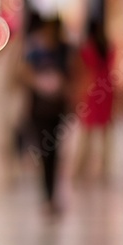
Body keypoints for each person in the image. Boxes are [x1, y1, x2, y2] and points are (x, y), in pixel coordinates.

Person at [20, 15, 71, 216]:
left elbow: (73, 74)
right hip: (39, 110)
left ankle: (52, 195)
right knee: (44, 151)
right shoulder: (35, 51)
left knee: (55, 152)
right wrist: (41, 83)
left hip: (56, 110)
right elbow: (23, 73)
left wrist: (61, 85)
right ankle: (47, 196)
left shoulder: (64, 51)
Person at [72, 19, 114, 181]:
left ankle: (80, 169)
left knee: (86, 132)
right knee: (104, 133)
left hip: (91, 91)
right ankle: (103, 169)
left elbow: (83, 72)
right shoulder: (107, 47)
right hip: (106, 89)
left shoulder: (86, 49)